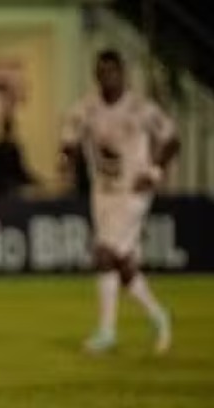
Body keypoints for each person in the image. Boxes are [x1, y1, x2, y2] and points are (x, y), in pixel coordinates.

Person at [61, 49, 180, 355]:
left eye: (112, 71)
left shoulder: (140, 108)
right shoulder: (86, 108)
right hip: (102, 193)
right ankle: (158, 315)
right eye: (101, 72)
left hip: (133, 191)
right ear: (95, 75)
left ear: (122, 74)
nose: (106, 77)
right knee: (123, 264)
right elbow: (70, 141)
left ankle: (107, 331)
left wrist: (154, 171)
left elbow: (171, 139)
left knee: (103, 254)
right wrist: (68, 160)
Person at [0, 115, 37, 201]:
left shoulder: (12, 149)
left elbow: (20, 171)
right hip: (1, 193)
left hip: (9, 191)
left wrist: (33, 181)